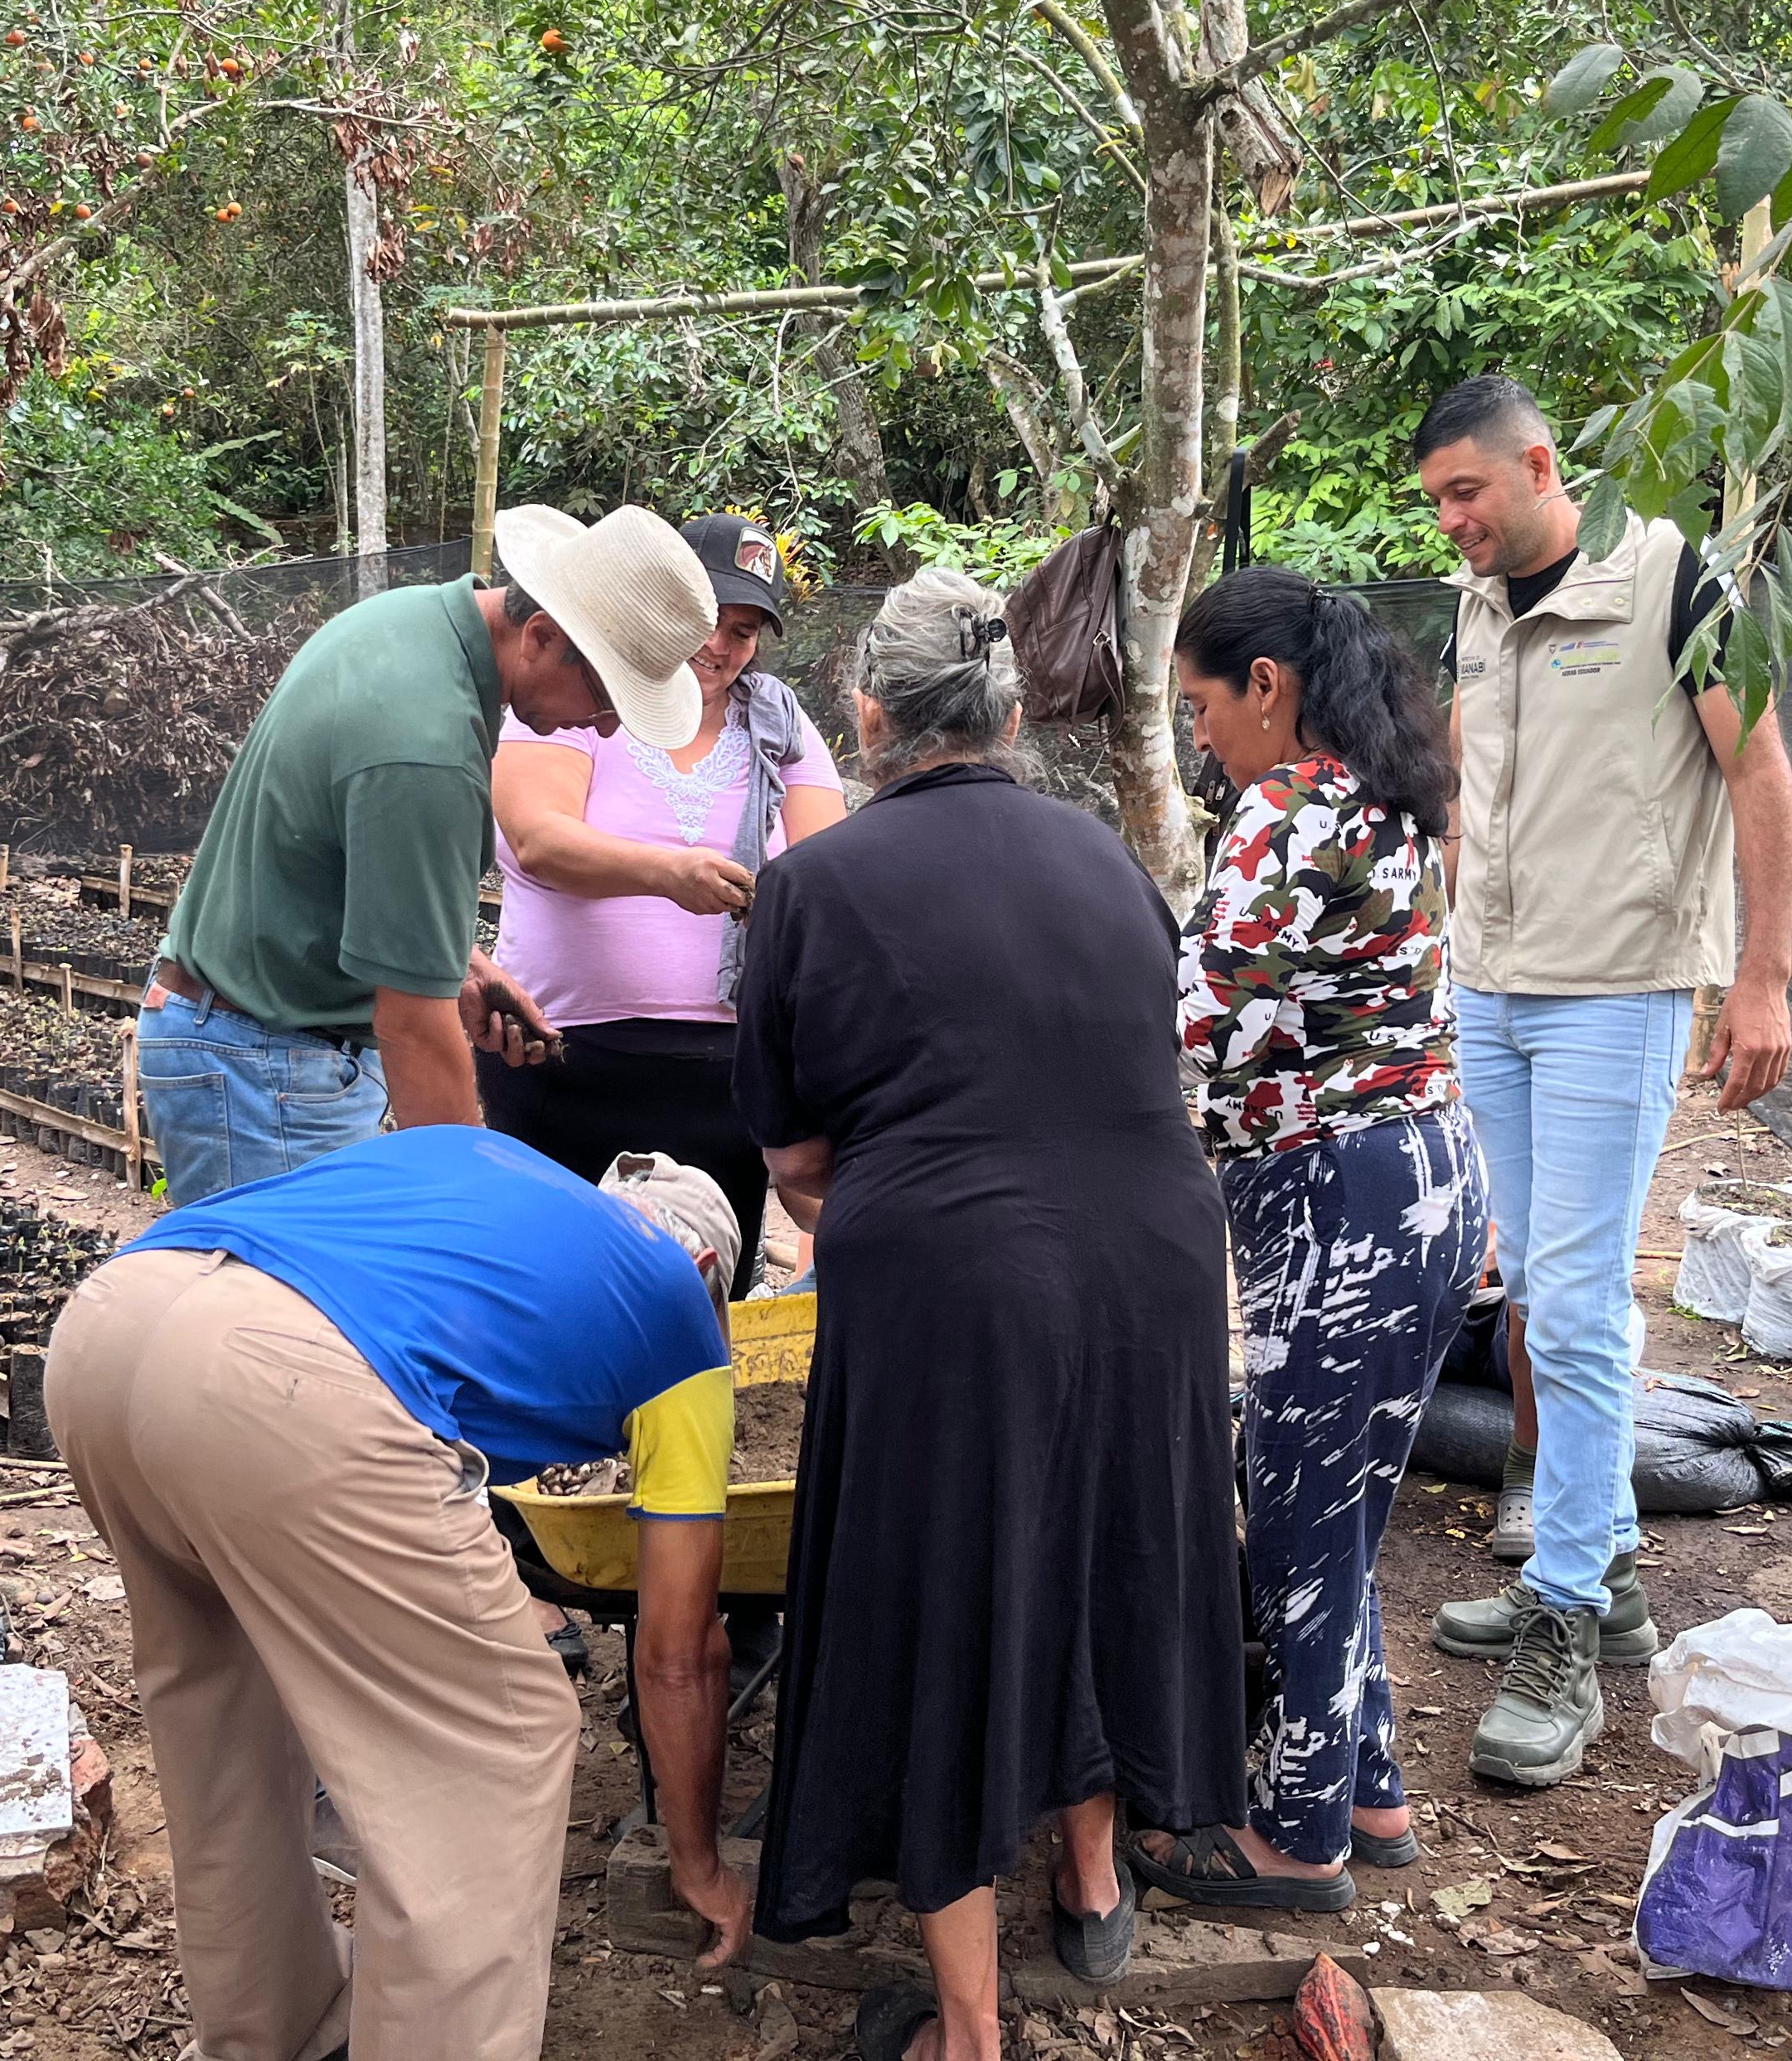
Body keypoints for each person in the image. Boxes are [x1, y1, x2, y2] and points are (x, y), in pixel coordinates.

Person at [734, 568, 1247, 2061]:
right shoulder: (1106, 858)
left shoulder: (811, 883)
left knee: (943, 1589)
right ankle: (1092, 1875)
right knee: (1098, 1542)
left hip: (950, 1274)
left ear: (866, 716)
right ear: (1012, 718)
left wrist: (914, 1194)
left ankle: (969, 2027)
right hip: (1154, 1258)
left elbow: (794, 1157)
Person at [46, 1129, 756, 2061]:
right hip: (280, 1381)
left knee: (225, 1708)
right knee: (500, 1739)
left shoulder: (491, 1172)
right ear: (706, 1270)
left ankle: (276, 2033)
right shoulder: (678, 1308)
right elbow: (677, 1653)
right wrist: (699, 1861)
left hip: (111, 1325)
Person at [1412, 373, 1792, 1788]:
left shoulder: (1673, 578)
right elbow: (1465, 785)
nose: (1452, 520)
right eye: (1435, 501)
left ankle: (1566, 1620)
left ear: (1538, 465)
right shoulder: (1475, 608)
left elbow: (1759, 773)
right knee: (1532, 1292)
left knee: (1577, 1308)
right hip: (1494, 988)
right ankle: (1610, 1578)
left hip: (1616, 989)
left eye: (1467, 491)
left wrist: (1760, 977)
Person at [1131, 568, 1484, 1912]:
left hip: (1345, 1198)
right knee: (1336, 1506)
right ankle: (1369, 1787)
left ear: (1265, 685)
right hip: (1429, 1177)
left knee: (1292, 1520)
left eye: (1201, 705)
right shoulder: (1381, 798)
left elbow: (1197, 1028)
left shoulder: (1286, 810)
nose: (1197, 734)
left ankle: (1298, 1838)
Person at [138, 505, 715, 1206]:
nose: (606, 727)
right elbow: (413, 1025)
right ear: (540, 636)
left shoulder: (413, 622)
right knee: (323, 1281)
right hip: (265, 1066)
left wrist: (456, 964)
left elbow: (348, 861)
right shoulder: (427, 747)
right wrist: (465, 1209)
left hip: (246, 1035)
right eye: (605, 696)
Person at [480, 512, 846, 1289]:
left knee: (701, 1296)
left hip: (726, 1076)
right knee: (550, 1287)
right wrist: (669, 874)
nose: (719, 647)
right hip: (561, 1058)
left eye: (744, 632)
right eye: (708, 621)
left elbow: (827, 869)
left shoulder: (779, 725)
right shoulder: (581, 694)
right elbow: (538, 837)